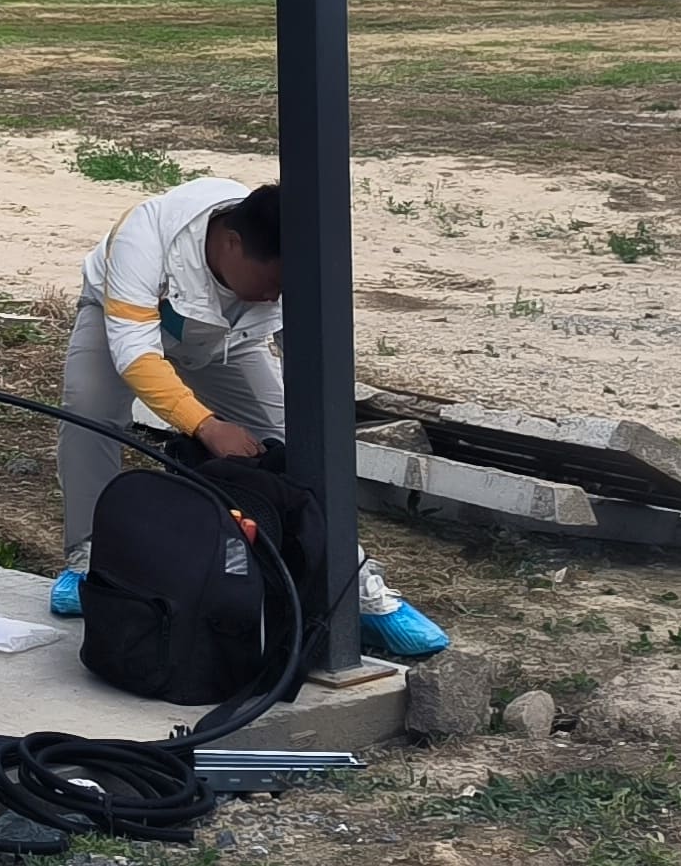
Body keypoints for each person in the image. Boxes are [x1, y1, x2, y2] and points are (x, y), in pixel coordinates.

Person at [50, 175, 447, 659]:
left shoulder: (282, 256)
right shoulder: (145, 236)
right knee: (88, 413)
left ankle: (356, 591)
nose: (277, 297)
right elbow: (136, 356)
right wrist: (205, 425)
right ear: (232, 244)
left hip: (229, 343)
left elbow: (309, 358)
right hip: (120, 320)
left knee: (296, 445)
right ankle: (88, 558)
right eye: (273, 284)